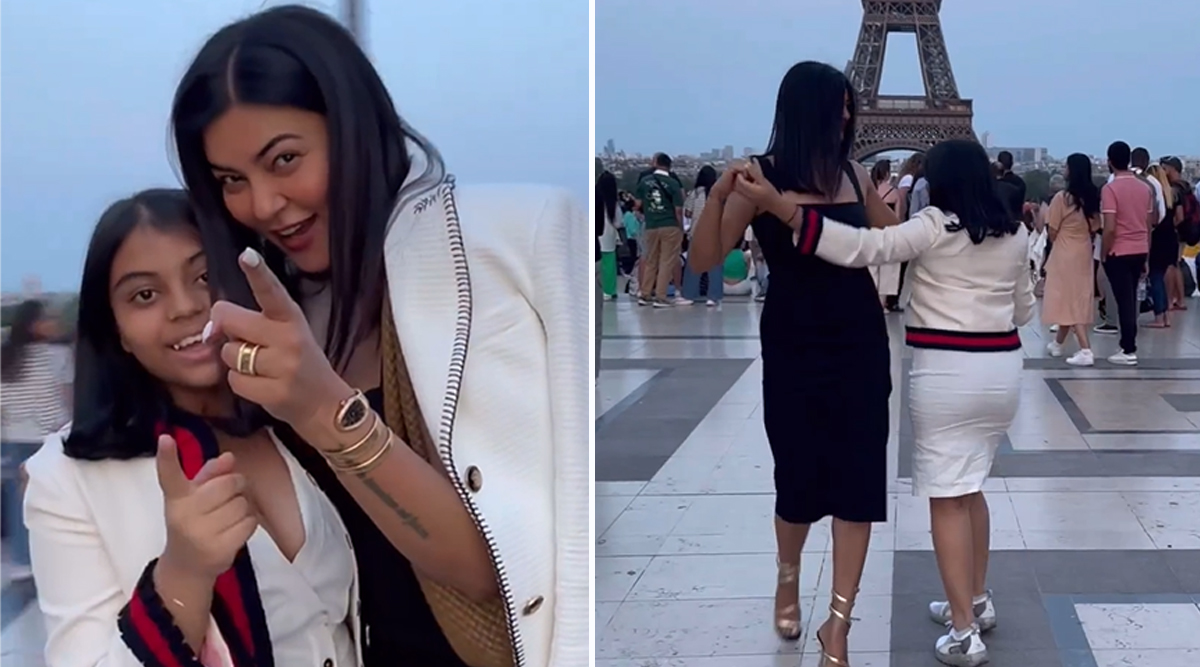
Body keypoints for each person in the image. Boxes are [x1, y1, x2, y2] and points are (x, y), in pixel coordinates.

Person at [169, 7, 588, 666]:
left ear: (353, 127)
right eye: (231, 181)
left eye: (285, 159)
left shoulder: (493, 262)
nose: (264, 204)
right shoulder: (262, 321)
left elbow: (491, 569)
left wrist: (321, 408)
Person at [25, 189, 366, 667]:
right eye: (145, 295)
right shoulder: (67, 480)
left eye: (205, 276)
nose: (184, 307)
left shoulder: (298, 423)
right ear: (116, 329)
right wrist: (183, 573)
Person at [734, 138, 1033, 667]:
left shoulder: (935, 225)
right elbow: (1026, 310)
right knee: (972, 486)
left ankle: (965, 634)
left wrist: (782, 208)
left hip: (946, 368)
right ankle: (977, 601)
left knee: (946, 495)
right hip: (1002, 370)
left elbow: (858, 248)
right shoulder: (1016, 232)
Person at [688, 61, 898, 667]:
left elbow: (898, 241)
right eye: (839, 107)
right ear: (807, 110)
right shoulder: (760, 178)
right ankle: (788, 573)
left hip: (859, 342)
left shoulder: (856, 177)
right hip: (793, 344)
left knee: (859, 482)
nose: (848, 117)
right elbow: (705, 256)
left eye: (850, 108)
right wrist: (722, 197)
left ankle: (839, 623)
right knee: (799, 476)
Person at [1, 299, 70, 581]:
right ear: (34, 324)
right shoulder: (57, 354)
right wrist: (62, 425)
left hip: (14, 437)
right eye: (49, 318)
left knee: (18, 500)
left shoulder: (6, 355)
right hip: (48, 436)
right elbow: (64, 396)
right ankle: (55, 553)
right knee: (57, 497)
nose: (55, 323)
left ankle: (21, 557)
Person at [1043, 154, 1103, 365]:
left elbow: (1052, 229)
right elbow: (1096, 225)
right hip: (1084, 248)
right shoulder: (1093, 196)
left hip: (1065, 248)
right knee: (1076, 294)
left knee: (1068, 296)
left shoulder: (1062, 198)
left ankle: (1085, 349)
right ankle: (1058, 344)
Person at [1100, 141, 1155, 366]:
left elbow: (1110, 227)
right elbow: (1148, 224)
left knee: (1124, 301)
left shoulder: (1110, 189)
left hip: (1119, 250)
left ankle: (1128, 347)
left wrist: (1105, 252)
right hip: (1140, 248)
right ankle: (1128, 344)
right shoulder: (1145, 188)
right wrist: (1147, 256)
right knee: (1130, 297)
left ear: (1110, 161)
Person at [635, 153, 687, 307]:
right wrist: (681, 228)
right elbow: (679, 209)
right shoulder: (672, 183)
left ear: (656, 163)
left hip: (651, 225)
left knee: (651, 260)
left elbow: (637, 204)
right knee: (666, 261)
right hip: (669, 224)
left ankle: (645, 293)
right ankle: (660, 296)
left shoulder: (644, 182)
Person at [682, 166, 723, 305]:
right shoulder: (720, 193)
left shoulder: (695, 193)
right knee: (715, 266)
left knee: (694, 265)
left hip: (697, 232)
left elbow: (687, 212)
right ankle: (714, 296)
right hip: (715, 233)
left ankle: (689, 294)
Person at [1144, 164, 1179, 327]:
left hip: (1157, 239)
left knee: (1155, 276)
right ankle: (1165, 315)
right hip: (1171, 238)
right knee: (1162, 275)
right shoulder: (1171, 194)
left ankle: (1159, 316)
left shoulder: (1153, 195)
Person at [870, 160, 902, 307]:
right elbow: (898, 218)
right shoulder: (894, 193)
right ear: (888, 174)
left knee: (872, 268)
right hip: (888, 233)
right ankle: (883, 304)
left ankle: (872, 301)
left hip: (871, 232)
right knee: (889, 269)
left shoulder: (869, 191)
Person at [597, 171, 621, 301]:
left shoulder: (594, 199)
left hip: (597, 237)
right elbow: (618, 222)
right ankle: (609, 290)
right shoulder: (613, 203)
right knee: (610, 265)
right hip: (609, 237)